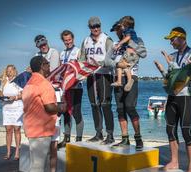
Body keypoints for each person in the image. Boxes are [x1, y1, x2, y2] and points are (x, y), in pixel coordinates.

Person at [154, 27, 191, 172]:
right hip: (172, 96)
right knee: (170, 129)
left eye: (172, 39)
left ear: (181, 38)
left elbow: (185, 77)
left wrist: (171, 64)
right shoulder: (172, 55)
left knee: (186, 130)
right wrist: (162, 70)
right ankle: (174, 161)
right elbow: (171, 79)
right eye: (170, 39)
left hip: (186, 96)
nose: (171, 42)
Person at [23, 56, 61, 172]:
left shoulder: (29, 83)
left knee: (43, 166)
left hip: (32, 128)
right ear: (41, 65)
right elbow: (50, 107)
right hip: (41, 130)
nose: (49, 66)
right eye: (47, 63)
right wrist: (61, 108)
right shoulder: (44, 83)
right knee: (37, 170)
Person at [104, 20, 146, 150]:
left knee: (130, 108)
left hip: (131, 77)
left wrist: (129, 42)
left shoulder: (137, 40)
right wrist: (117, 65)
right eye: (115, 30)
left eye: (118, 29)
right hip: (118, 78)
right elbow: (106, 60)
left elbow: (144, 54)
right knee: (120, 109)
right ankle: (125, 139)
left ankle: (138, 138)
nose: (117, 32)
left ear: (123, 29)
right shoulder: (115, 44)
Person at [79, 16, 115, 144]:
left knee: (105, 105)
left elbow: (112, 59)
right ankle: (98, 133)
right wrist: (81, 70)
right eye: (93, 26)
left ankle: (110, 135)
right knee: (94, 105)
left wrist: (99, 63)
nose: (96, 28)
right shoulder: (85, 41)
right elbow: (81, 58)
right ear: (89, 27)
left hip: (104, 75)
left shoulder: (107, 39)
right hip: (90, 76)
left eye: (98, 26)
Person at [34, 34, 60, 172]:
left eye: (44, 44)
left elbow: (53, 72)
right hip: (42, 100)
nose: (43, 47)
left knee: (54, 147)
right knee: (43, 149)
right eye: (40, 45)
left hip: (54, 92)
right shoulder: (36, 56)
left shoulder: (55, 52)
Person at [57, 30, 84, 148]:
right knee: (66, 113)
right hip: (65, 88)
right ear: (63, 41)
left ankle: (79, 140)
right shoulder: (62, 53)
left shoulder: (78, 51)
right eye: (65, 40)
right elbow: (60, 70)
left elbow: (81, 68)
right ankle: (66, 139)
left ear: (73, 39)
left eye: (69, 39)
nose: (68, 42)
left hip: (77, 87)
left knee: (76, 112)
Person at [0, 65, 23, 160]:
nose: (9, 72)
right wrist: (1, 96)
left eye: (11, 70)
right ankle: (8, 152)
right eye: (7, 70)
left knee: (17, 129)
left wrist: (15, 97)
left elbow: (23, 94)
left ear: (14, 71)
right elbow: (0, 92)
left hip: (17, 107)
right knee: (8, 130)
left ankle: (17, 151)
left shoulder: (19, 80)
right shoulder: (4, 81)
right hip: (6, 108)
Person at [111, 16, 140, 92]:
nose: (117, 32)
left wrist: (119, 44)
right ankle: (119, 81)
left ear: (126, 25)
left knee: (121, 65)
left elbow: (127, 38)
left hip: (130, 52)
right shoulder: (130, 32)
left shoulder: (128, 31)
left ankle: (129, 80)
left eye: (121, 27)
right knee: (121, 66)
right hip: (130, 52)